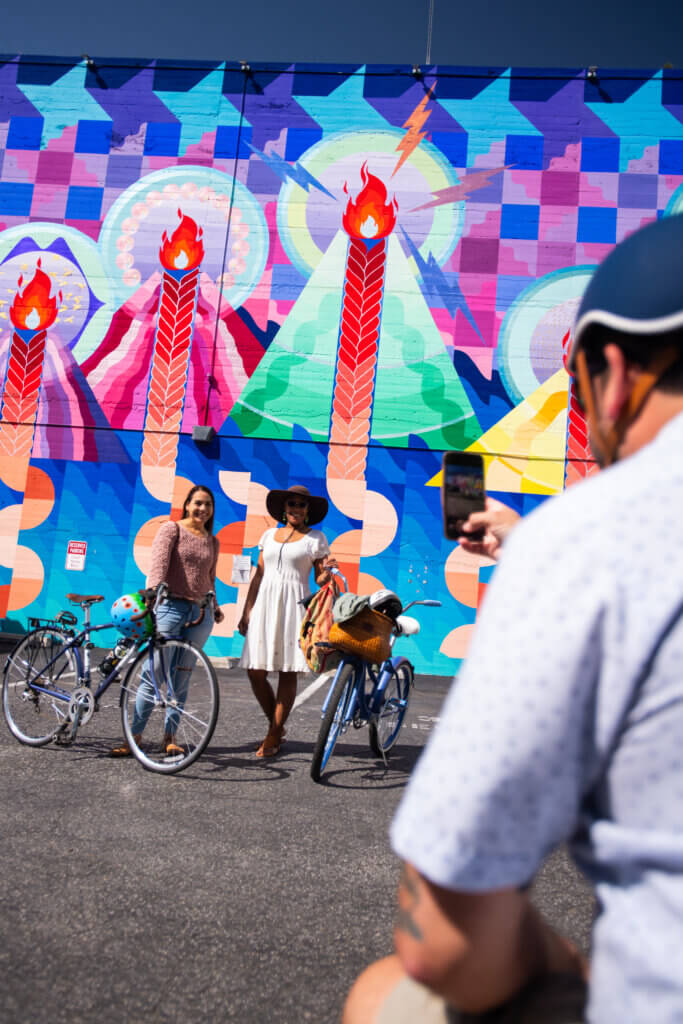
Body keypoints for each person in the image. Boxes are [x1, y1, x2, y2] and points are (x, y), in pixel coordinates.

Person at [344, 213, 683, 1024]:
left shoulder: (594, 537)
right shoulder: (571, 544)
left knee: (388, 997)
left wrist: (553, 954)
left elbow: (445, 941)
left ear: (610, 368)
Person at [110, 484, 224, 757]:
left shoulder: (213, 540)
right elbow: (158, 565)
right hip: (170, 608)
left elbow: (210, 577)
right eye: (198, 503)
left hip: (200, 614)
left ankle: (170, 737)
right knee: (154, 674)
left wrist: (215, 607)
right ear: (187, 504)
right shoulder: (171, 529)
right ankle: (133, 736)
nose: (203, 509)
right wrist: (154, 594)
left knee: (181, 679)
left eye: (208, 505)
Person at [238, 484, 335, 758]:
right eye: (291, 503)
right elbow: (258, 575)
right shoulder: (268, 535)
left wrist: (327, 573)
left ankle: (272, 734)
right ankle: (277, 727)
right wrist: (247, 609)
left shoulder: (316, 539)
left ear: (308, 511)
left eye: (301, 505)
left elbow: (318, 578)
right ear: (284, 507)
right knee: (255, 670)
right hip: (265, 605)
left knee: (287, 671)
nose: (295, 508)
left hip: (295, 606)